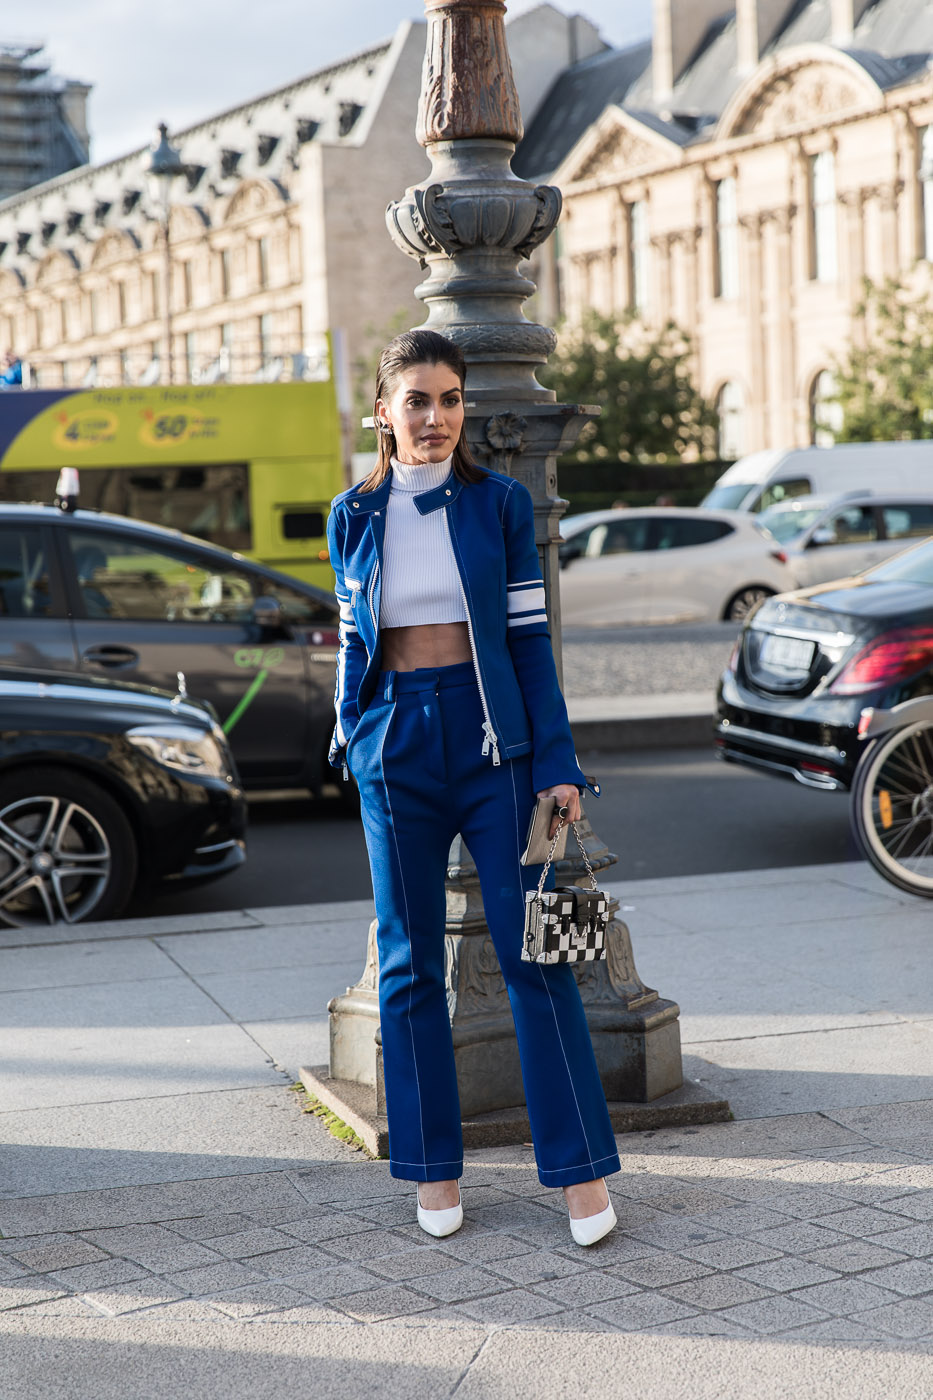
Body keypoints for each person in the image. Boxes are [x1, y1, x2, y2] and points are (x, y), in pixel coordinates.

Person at [327, 329, 621, 1247]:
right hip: (395, 742)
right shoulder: (352, 515)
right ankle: (432, 1167)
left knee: (537, 953)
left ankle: (579, 1175)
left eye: (449, 399)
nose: (436, 417)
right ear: (384, 412)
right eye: (416, 400)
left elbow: (529, 640)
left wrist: (558, 761)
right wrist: (353, 731)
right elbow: (353, 637)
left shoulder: (497, 504)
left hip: (497, 747)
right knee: (410, 963)